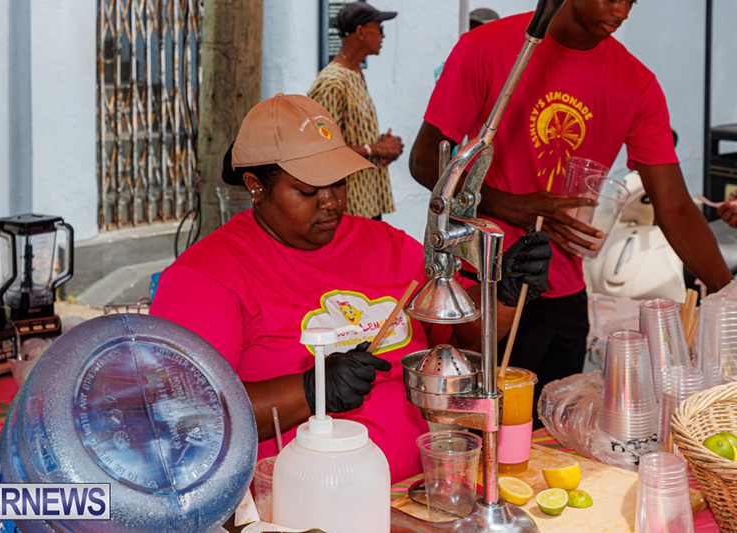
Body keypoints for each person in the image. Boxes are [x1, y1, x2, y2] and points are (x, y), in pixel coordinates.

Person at [150, 94, 552, 483]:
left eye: (338, 183)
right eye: (307, 190)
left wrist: (503, 294)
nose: (331, 202)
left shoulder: (387, 243)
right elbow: (185, 413)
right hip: (305, 507)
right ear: (256, 185)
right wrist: (310, 390)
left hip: (426, 485)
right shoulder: (204, 277)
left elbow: (463, 339)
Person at [409, 0, 733, 408]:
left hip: (565, 293)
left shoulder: (636, 82)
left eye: (631, 1)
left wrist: (728, 294)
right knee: (480, 425)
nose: (622, 11)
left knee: (556, 440)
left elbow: (676, 207)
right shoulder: (486, 48)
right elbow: (425, 161)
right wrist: (513, 206)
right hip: (490, 287)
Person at [307, 1, 403, 220]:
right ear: (360, 31)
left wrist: (384, 145)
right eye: (380, 29)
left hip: (367, 200)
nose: (383, 36)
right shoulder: (333, 82)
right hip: (347, 208)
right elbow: (323, 147)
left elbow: (347, 135)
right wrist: (375, 150)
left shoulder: (354, 73)